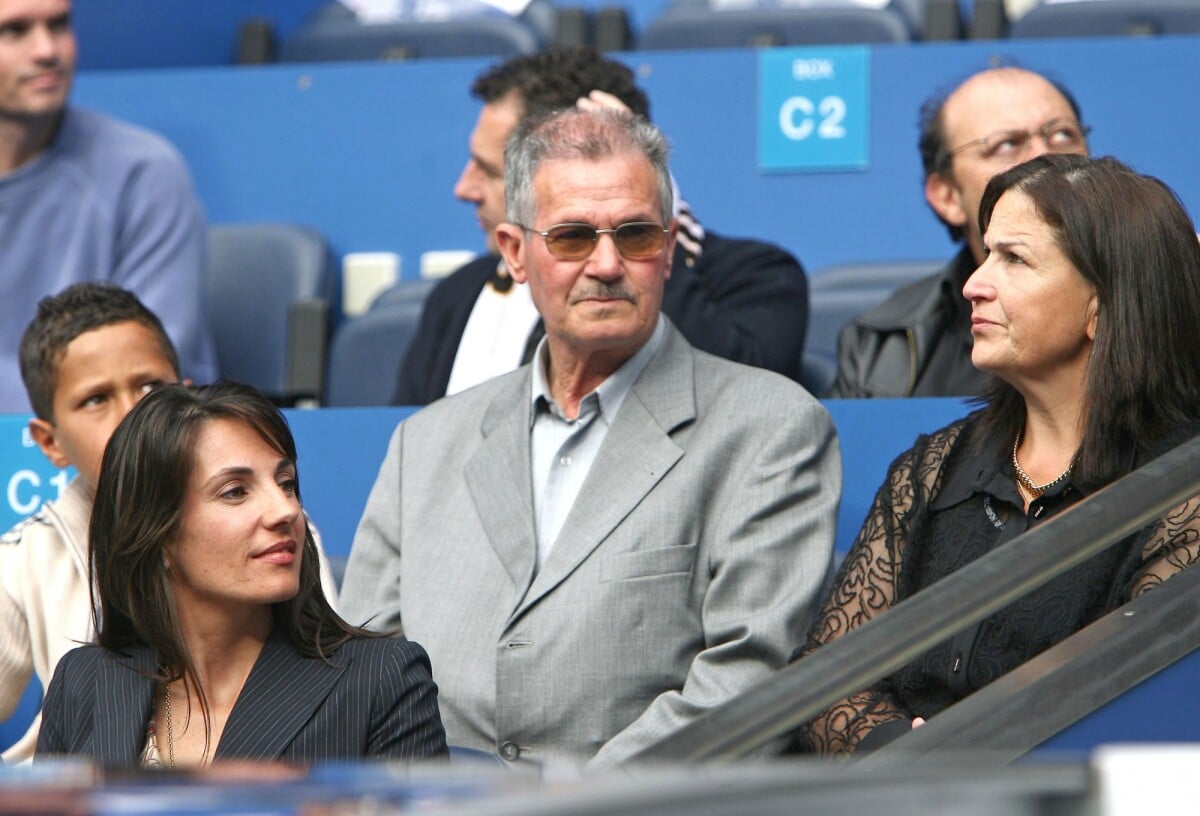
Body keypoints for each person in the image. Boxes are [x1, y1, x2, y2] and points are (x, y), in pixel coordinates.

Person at [343, 107, 840, 766]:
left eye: (635, 234)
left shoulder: (772, 428)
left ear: (667, 248)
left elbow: (745, 684)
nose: (607, 264)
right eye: (573, 237)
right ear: (516, 254)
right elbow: (362, 671)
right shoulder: (424, 443)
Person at [798, 154, 1200, 755]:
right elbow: (824, 678)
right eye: (987, 254)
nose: (973, 283)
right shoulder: (932, 469)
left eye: (1014, 259)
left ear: (1104, 303)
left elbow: (1121, 706)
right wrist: (899, 755)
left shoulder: (1183, 494)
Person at [0, 284, 335, 764]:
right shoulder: (24, 556)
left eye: (151, 387)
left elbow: (328, 687)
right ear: (49, 441)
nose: (132, 413)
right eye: (96, 399)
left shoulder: (279, 540)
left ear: (188, 400)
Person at [36, 382, 447, 766]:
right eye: (235, 491)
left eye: (285, 483)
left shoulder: (382, 681)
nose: (285, 510)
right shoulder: (84, 682)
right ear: (156, 534)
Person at [393, 46, 809, 405]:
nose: (463, 189)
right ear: (514, 252)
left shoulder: (758, 278)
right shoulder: (456, 297)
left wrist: (644, 198)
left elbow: (743, 407)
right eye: (570, 239)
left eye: (489, 170)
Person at [0, 0, 216, 412]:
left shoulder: (145, 172)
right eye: (15, 31)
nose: (47, 50)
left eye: (59, 25)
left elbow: (142, 374)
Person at [828, 66, 1089, 398]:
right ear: (947, 195)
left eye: (1063, 135)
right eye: (1007, 144)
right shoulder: (879, 346)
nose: (1044, 156)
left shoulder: (1159, 305)